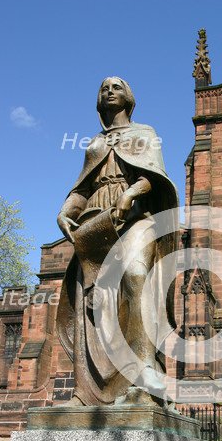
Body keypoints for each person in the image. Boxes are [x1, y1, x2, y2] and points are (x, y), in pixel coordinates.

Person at [56, 76, 178, 407]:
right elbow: (81, 189)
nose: (110, 90)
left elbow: (154, 179)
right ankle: (87, 394)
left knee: (136, 277)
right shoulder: (94, 144)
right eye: (104, 87)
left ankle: (144, 376)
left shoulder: (145, 134)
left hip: (136, 219)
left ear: (128, 97)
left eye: (117, 86)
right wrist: (65, 212)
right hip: (96, 224)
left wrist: (131, 193)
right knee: (91, 303)